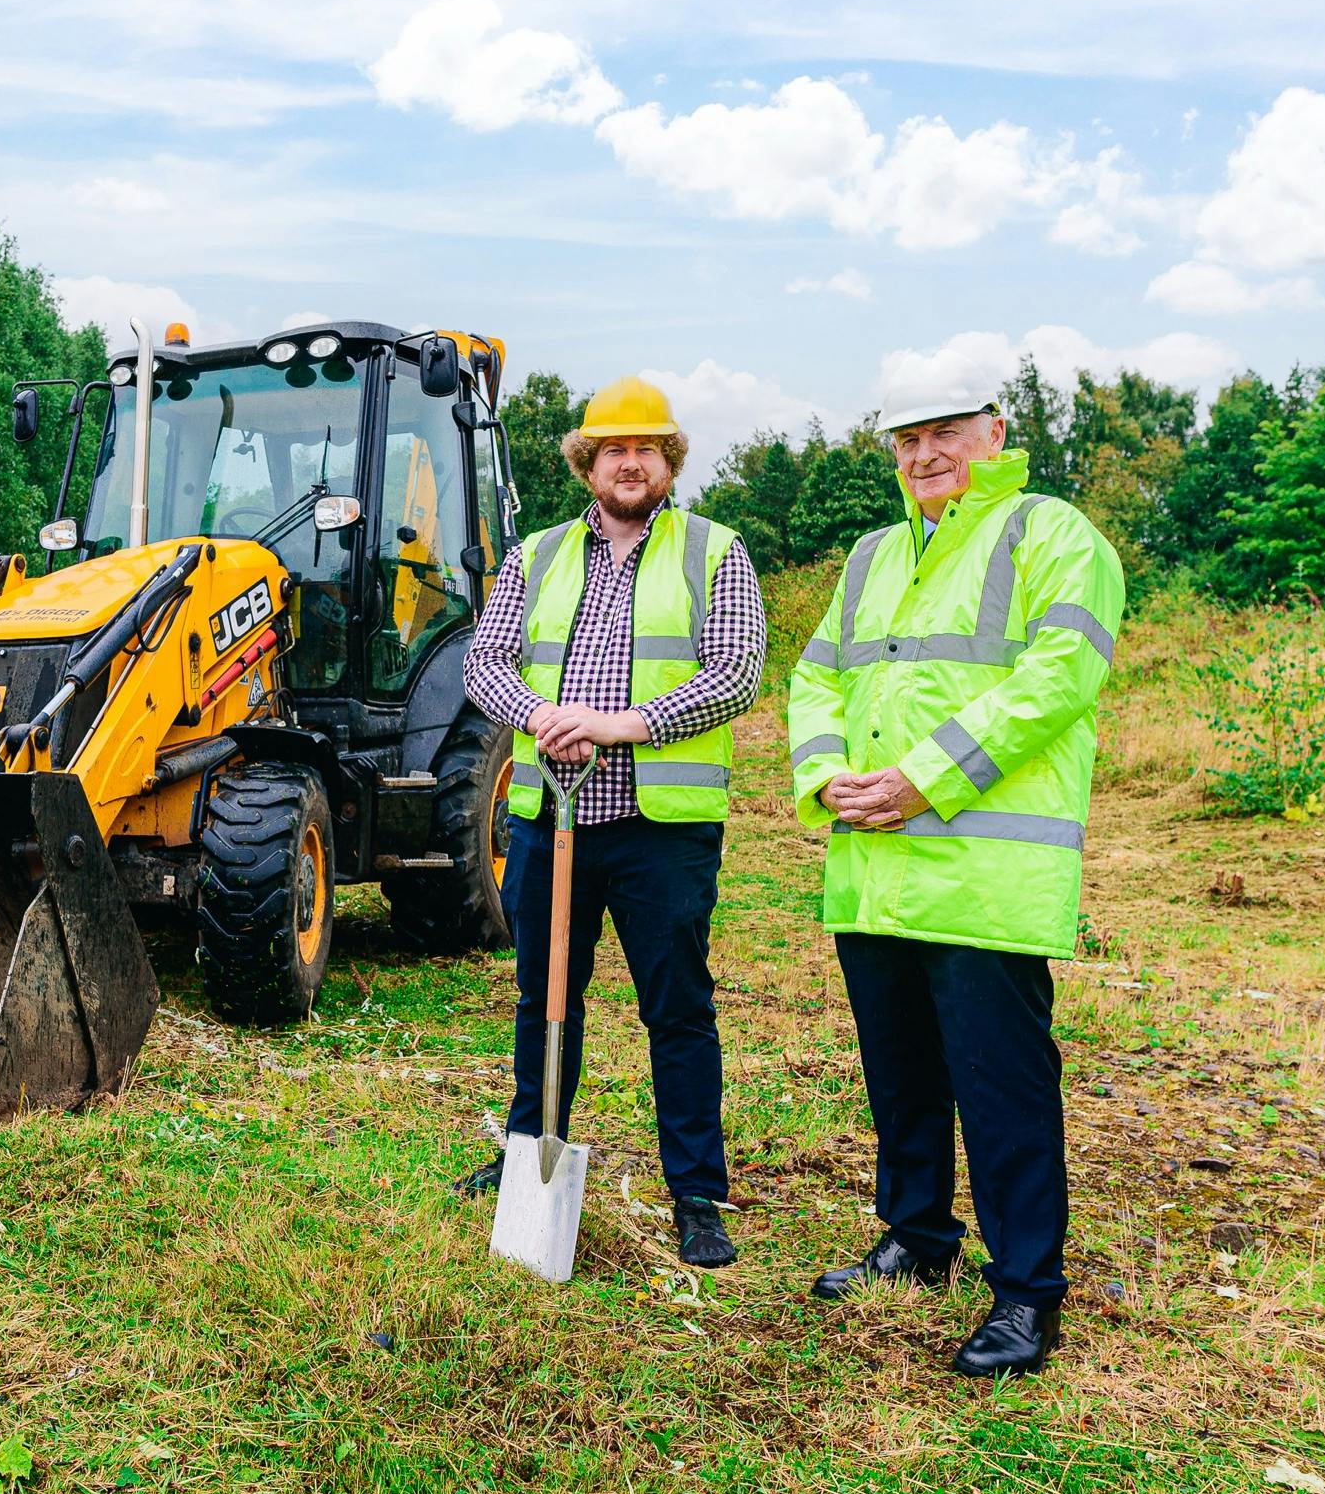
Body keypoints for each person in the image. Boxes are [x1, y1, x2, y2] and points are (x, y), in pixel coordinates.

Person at [787, 368, 1125, 1377]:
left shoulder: (1051, 535)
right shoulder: (870, 555)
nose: (922, 453)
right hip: (874, 868)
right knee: (900, 1076)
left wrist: (920, 780)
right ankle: (916, 1238)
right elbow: (814, 677)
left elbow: (1055, 681)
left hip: (984, 875)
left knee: (1000, 1086)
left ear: (994, 431)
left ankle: (1026, 1292)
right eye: (904, 439)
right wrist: (825, 776)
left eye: (942, 432)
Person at [455, 377, 767, 1269]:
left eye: (646, 449)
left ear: (667, 461)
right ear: (587, 464)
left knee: (677, 1008)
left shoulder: (716, 551)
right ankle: (528, 1153)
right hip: (550, 820)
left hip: (658, 827)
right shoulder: (538, 554)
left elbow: (735, 671)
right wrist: (545, 716)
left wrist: (619, 726)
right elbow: (487, 664)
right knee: (542, 998)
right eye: (611, 450)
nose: (629, 463)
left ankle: (696, 1195)